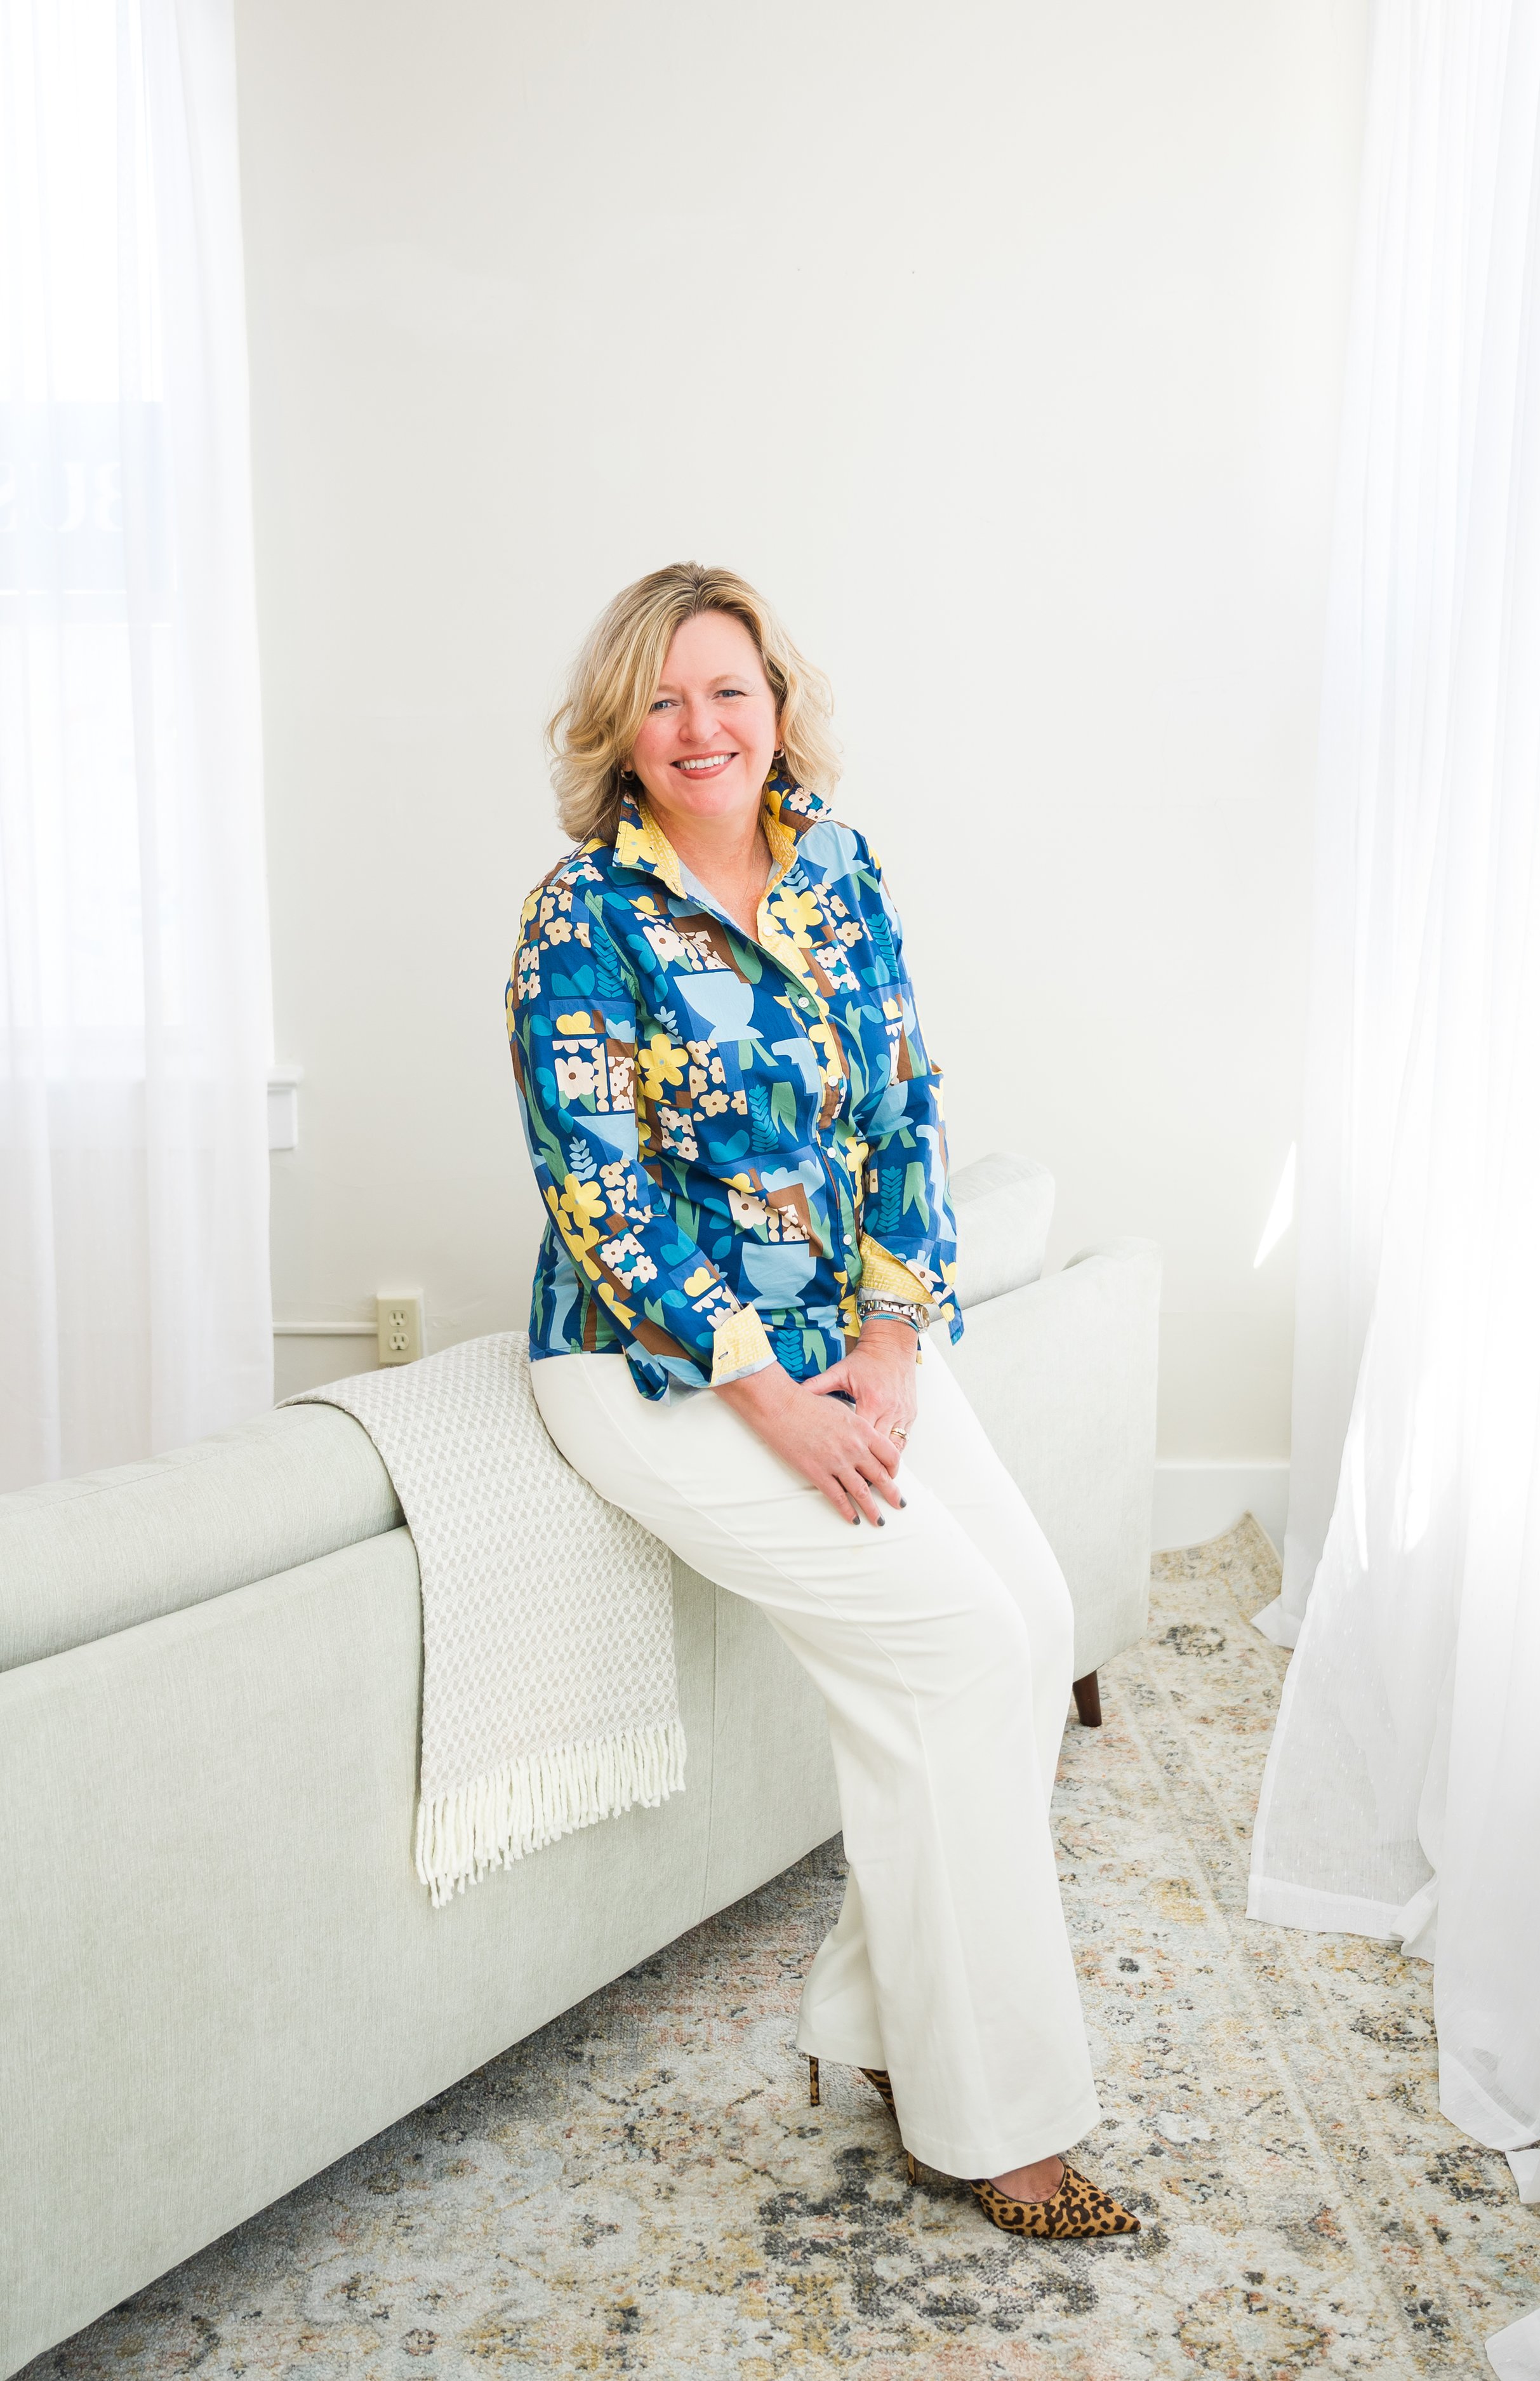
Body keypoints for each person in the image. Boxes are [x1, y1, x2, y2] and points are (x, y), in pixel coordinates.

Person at [507, 561, 1138, 2240]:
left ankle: (867, 2025)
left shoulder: (839, 868)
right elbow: (603, 1201)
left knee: (1032, 1618)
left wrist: (891, 1338)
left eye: (727, 689)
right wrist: (775, 1405)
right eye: (661, 698)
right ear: (618, 733)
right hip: (651, 1365)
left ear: (776, 706)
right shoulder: (580, 918)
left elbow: (905, 1116)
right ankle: (986, 2123)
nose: (699, 726)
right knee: (947, 1647)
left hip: (847, 1344)